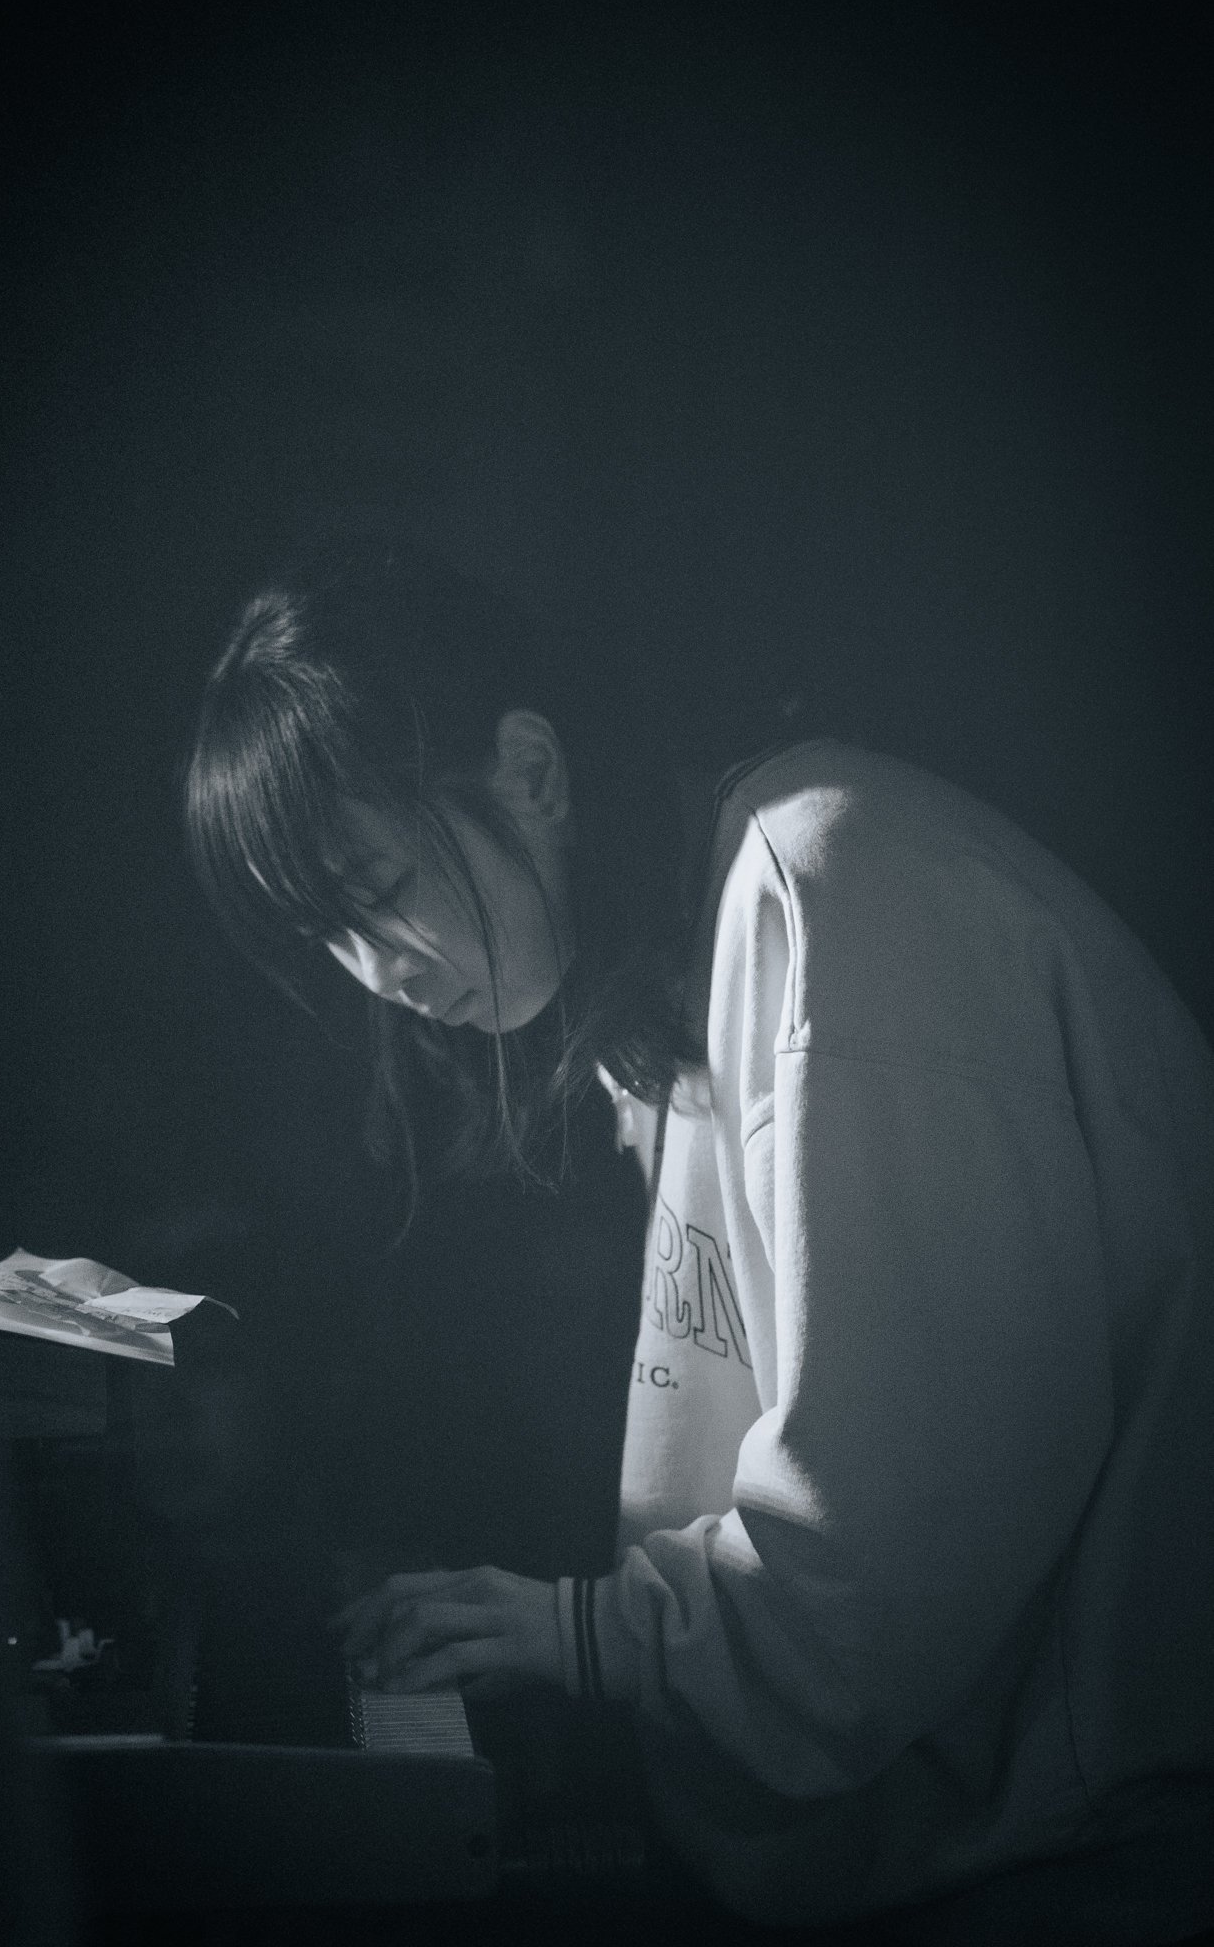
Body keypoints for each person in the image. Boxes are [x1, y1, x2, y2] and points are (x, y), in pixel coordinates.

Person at [184, 540, 1214, 1941]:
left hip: (1089, 1860)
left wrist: (582, 1633)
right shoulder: (689, 960)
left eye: (374, 889)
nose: (378, 974)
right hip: (993, 1839)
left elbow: (890, 1566)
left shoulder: (835, 890)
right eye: (327, 934)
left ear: (530, 770)